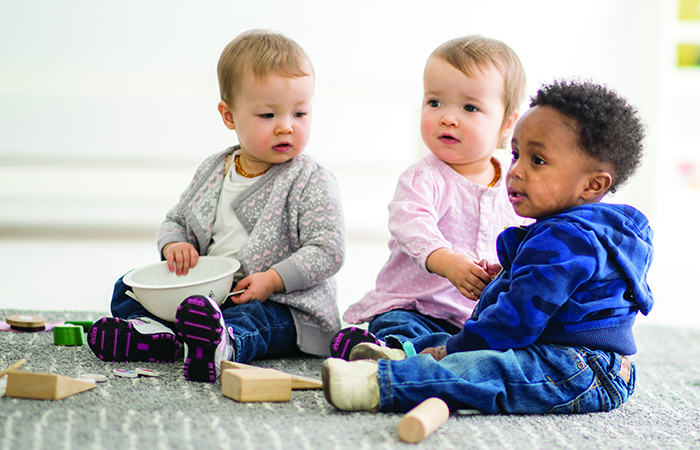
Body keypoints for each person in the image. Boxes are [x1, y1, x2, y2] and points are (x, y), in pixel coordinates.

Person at [322, 79, 653, 415]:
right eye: (516, 154)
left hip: (581, 369)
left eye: (537, 160)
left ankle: (383, 382)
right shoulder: (582, 231)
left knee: (490, 370)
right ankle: (405, 353)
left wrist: (455, 351)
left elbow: (515, 322)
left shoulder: (566, 240)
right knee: (466, 339)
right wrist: (505, 280)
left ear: (593, 184)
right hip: (563, 352)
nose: (516, 170)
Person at [88, 29, 345, 382]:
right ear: (229, 116)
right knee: (127, 288)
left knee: (254, 319)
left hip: (283, 304)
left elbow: (328, 250)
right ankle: (158, 337)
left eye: (300, 114)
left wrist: (272, 280)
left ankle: (223, 344)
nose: (286, 127)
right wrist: (175, 245)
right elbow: (177, 219)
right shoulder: (214, 169)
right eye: (268, 115)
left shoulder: (310, 179)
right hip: (214, 296)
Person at [331, 35, 528, 361]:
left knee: (508, 341)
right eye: (434, 102)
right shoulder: (424, 177)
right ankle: (389, 352)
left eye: (469, 107)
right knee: (398, 323)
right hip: (418, 304)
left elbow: (532, 233)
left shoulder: (517, 180)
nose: (447, 117)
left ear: (507, 123)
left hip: (478, 315)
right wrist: (447, 261)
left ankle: (438, 355)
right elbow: (412, 223)